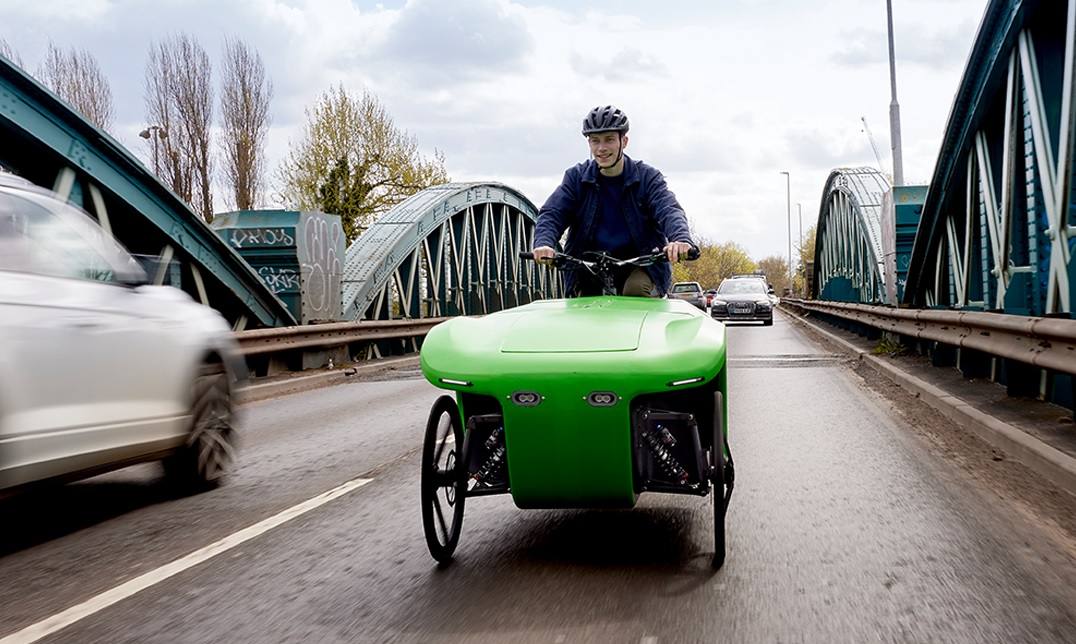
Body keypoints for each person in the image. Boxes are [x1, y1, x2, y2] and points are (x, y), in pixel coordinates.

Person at [531, 105, 696, 297]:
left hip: (641, 264)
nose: (601, 148)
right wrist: (544, 243)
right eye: (595, 141)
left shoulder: (647, 177)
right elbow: (553, 213)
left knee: (635, 290)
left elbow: (669, 209)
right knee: (584, 301)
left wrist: (680, 239)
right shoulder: (576, 178)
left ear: (624, 141)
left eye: (609, 139)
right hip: (589, 265)